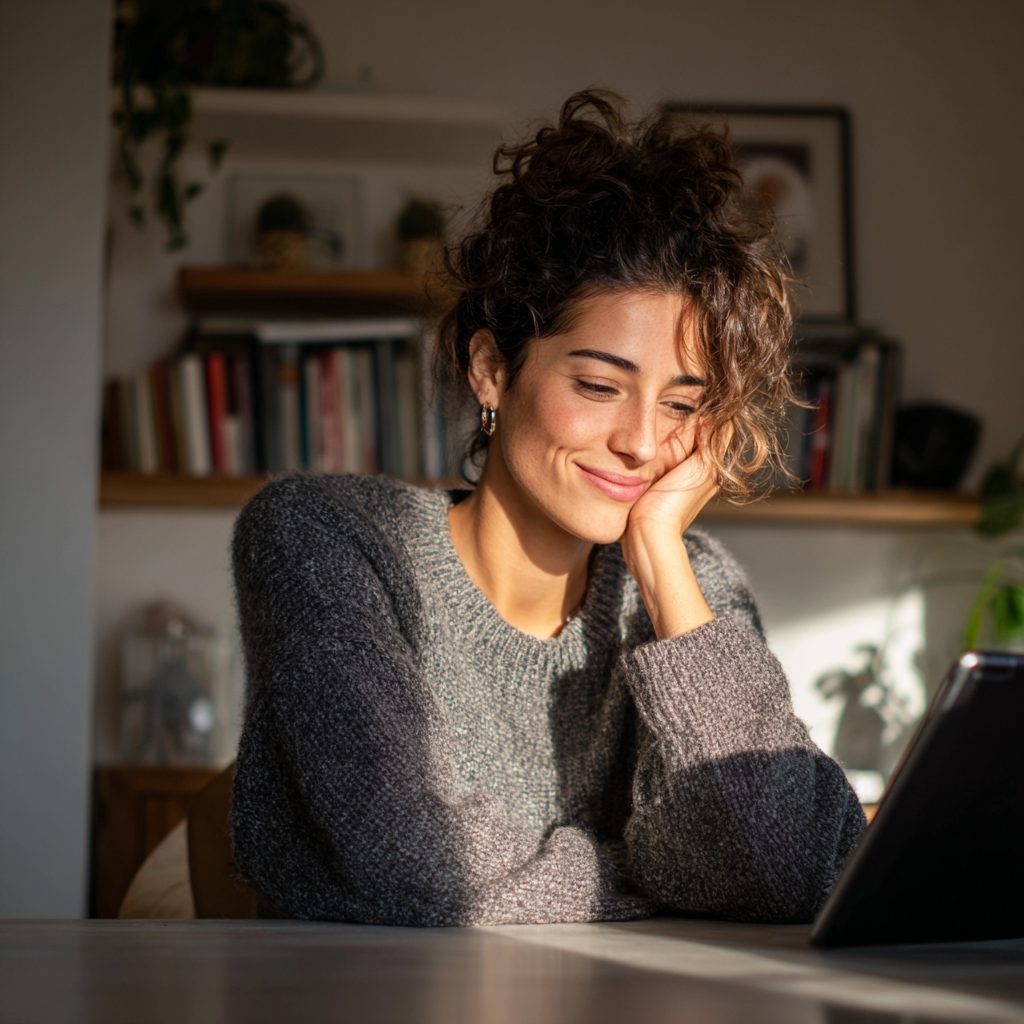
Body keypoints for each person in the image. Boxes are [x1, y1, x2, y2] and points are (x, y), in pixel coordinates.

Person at [229, 88, 867, 926]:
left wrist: (664, 561)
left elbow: (786, 869)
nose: (643, 442)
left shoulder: (694, 584)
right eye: (599, 386)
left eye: (682, 404)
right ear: (492, 369)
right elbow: (420, 865)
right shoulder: (328, 539)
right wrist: (658, 884)